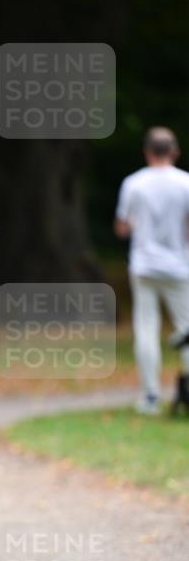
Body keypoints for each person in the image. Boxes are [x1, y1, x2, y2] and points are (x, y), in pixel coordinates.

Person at [114, 126, 189, 415]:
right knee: (186, 330)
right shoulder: (185, 183)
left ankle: (150, 396)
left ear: (147, 152)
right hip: (179, 266)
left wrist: (136, 225)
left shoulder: (134, 183)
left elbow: (122, 227)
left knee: (146, 329)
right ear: (175, 152)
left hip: (144, 265)